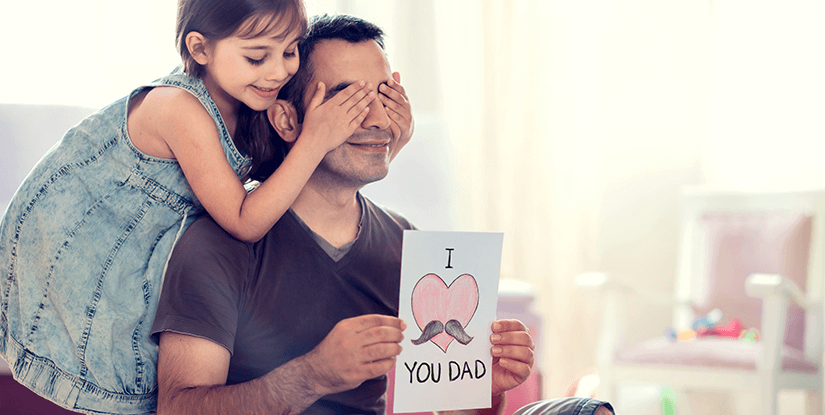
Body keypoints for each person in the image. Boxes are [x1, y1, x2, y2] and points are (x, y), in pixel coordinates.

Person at [151, 14, 613, 415]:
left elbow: (457, 410)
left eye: (384, 95)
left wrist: (485, 388)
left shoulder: (403, 241)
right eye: (348, 98)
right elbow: (178, 408)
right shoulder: (219, 242)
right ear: (288, 120)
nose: (376, 118)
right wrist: (312, 375)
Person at [0, 1, 412, 414]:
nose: (278, 71)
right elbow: (245, 221)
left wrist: (389, 138)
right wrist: (317, 138)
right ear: (199, 49)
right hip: (83, 237)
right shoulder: (179, 110)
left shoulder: (249, 110)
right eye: (348, 100)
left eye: (289, 52)